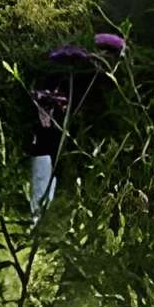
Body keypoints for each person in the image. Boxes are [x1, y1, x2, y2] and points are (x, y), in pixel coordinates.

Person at [26, 31, 124, 219]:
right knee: (42, 178)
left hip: (66, 141)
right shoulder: (81, 72)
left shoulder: (94, 76)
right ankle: (35, 220)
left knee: (51, 182)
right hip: (48, 135)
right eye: (107, 55)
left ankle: (40, 221)